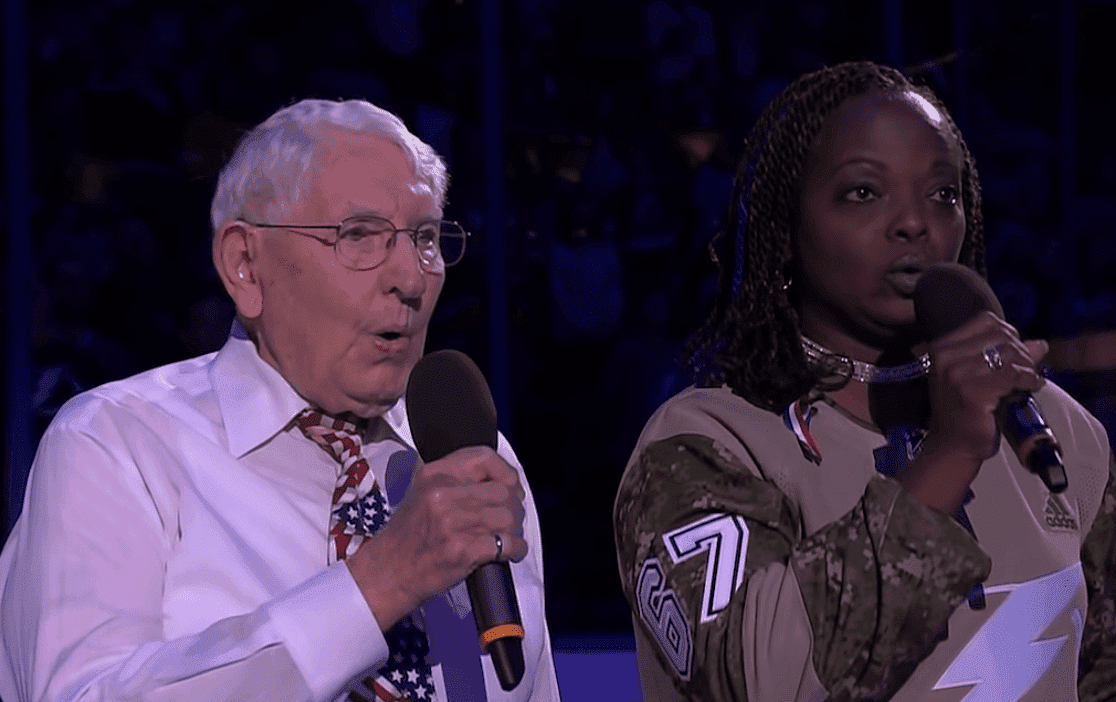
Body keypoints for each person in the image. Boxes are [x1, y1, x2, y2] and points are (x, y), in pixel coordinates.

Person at [0, 98, 560, 702]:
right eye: (360, 236)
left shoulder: (470, 462)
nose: (412, 278)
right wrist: (380, 581)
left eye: (425, 238)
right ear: (245, 264)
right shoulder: (118, 444)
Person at [614, 61, 1116, 701]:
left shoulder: (1058, 429)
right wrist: (951, 452)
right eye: (863, 193)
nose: (914, 223)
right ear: (786, 230)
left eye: (943, 194)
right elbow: (762, 683)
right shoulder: (706, 444)